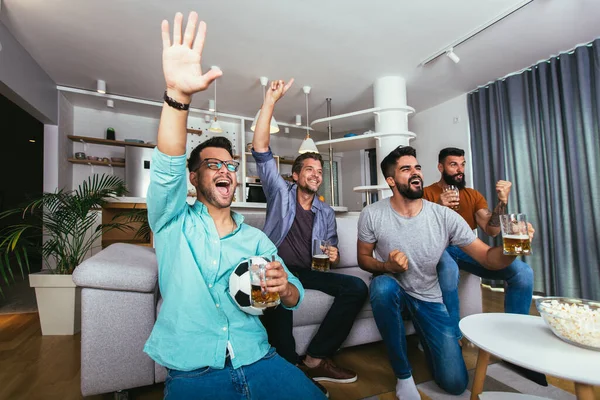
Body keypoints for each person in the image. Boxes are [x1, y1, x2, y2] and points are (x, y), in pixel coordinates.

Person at [143, 12, 326, 399]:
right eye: (213, 164)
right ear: (193, 178)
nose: (226, 170)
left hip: (260, 358)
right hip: (194, 371)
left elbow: (293, 293)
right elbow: (165, 171)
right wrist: (177, 96)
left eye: (230, 165)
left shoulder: (257, 240)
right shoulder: (171, 222)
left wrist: (285, 290)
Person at [357, 146, 535, 400]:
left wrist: (514, 246)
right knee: (382, 287)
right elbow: (363, 259)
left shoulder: (443, 216)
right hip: (394, 291)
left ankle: (428, 339)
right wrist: (387, 267)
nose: (415, 173)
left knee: (455, 383)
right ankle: (403, 375)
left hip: (428, 298)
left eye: (417, 167)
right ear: (391, 181)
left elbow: (488, 258)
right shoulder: (372, 214)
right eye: (406, 169)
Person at [251, 78, 368, 386]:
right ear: (295, 175)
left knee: (356, 287)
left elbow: (328, 254)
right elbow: (261, 149)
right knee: (278, 297)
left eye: (320, 171)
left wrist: (334, 254)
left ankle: (315, 357)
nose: (316, 175)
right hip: (279, 268)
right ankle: (289, 369)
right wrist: (270, 103)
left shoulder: (326, 212)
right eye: (310, 170)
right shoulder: (280, 193)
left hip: (308, 271)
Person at [422, 147, 546, 385]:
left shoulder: (472, 195)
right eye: (453, 165)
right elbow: (418, 230)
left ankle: (515, 344)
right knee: (447, 269)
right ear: (440, 168)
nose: (459, 170)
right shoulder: (427, 194)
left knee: (523, 272)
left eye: (462, 164)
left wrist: (502, 202)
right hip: (439, 248)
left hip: (467, 247)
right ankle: (452, 341)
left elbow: (491, 228)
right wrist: (437, 205)